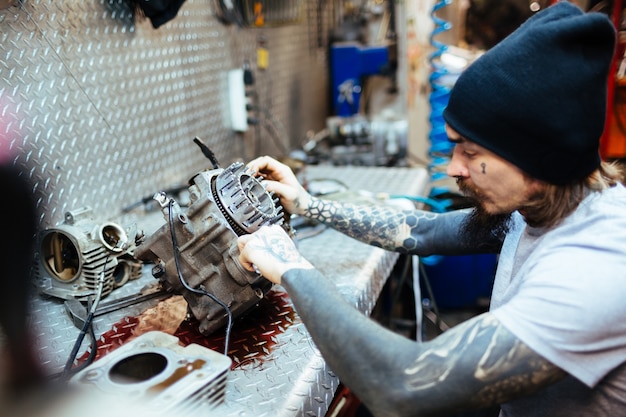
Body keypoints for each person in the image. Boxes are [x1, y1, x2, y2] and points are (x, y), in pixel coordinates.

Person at [237, 3, 626, 417]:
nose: (452, 167)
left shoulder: (596, 269)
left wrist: (291, 268)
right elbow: (425, 231)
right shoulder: (540, 206)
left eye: (470, 151)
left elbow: (403, 385)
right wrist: (309, 205)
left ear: (537, 160)